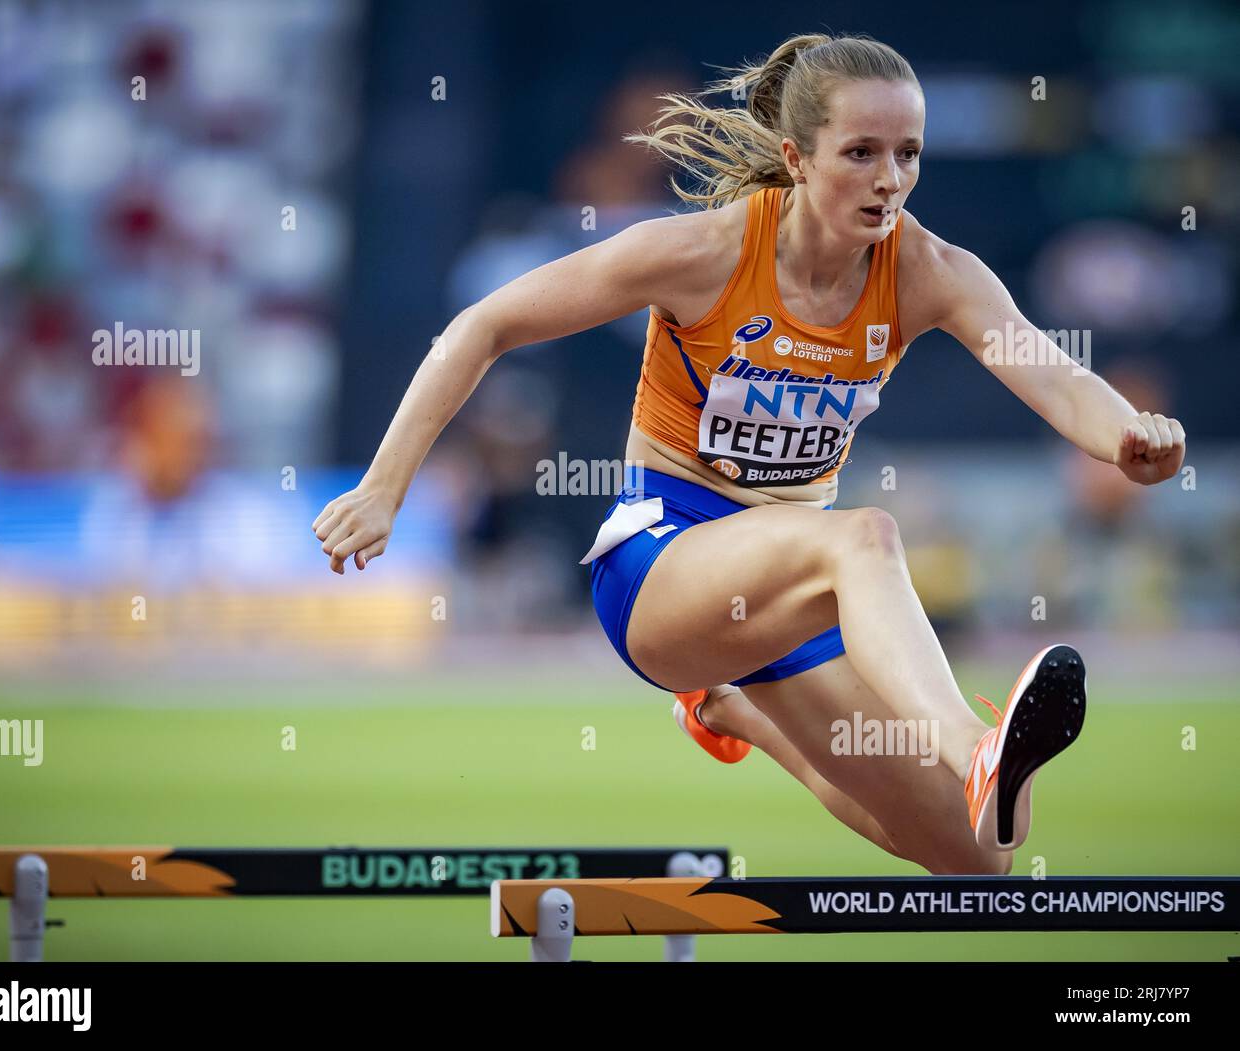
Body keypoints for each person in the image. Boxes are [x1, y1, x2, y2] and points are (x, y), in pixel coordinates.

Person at [312, 33, 1186, 875]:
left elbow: (1052, 371)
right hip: (661, 570)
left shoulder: (928, 270)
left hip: (786, 596)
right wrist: (385, 487)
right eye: (862, 153)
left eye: (909, 154)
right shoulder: (702, 252)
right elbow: (485, 323)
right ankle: (970, 743)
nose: (891, 181)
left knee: (980, 852)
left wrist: (1126, 437)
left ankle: (735, 709)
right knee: (866, 536)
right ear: (797, 157)